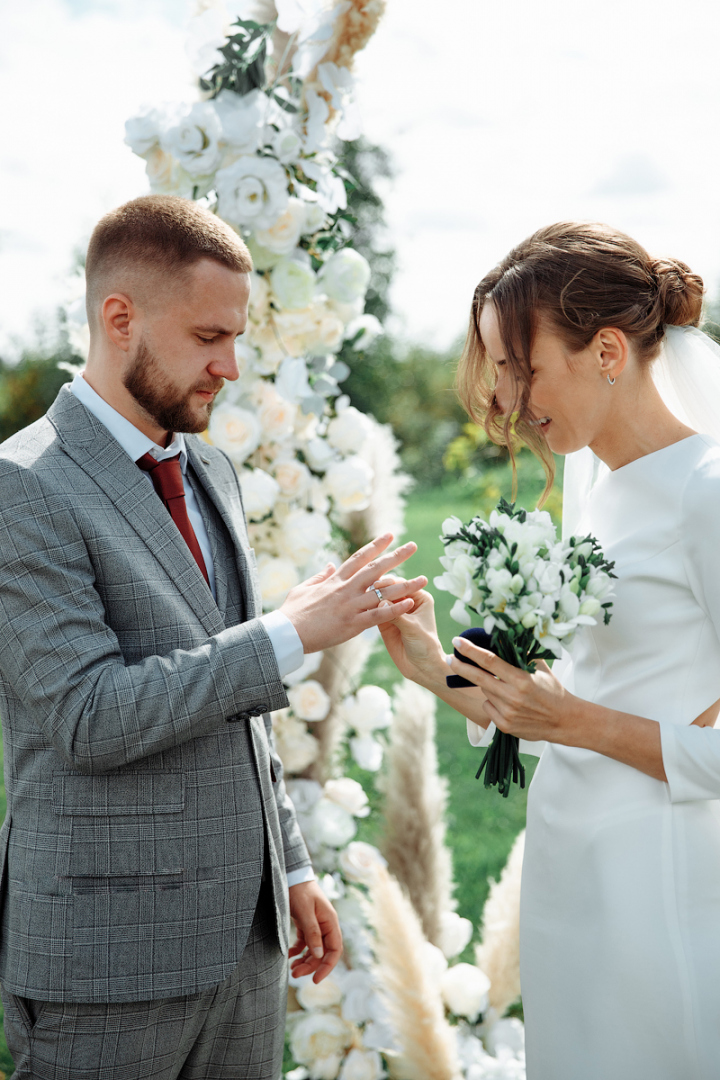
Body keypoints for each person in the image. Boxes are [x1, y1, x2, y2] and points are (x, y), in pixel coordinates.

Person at [0, 194, 427, 1080]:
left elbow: (239, 713)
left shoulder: (211, 468)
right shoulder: (22, 485)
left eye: (235, 336)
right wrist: (284, 635)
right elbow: (86, 714)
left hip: (248, 947)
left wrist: (293, 865)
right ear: (120, 319)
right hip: (107, 959)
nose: (231, 365)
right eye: (207, 337)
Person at [380, 221, 720, 1080]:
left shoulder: (706, 496)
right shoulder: (600, 491)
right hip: (574, 871)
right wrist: (433, 667)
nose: (505, 394)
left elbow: (596, 719)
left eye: (519, 364)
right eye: (497, 366)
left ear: (608, 348)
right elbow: (574, 702)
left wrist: (576, 720)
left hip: (663, 881)